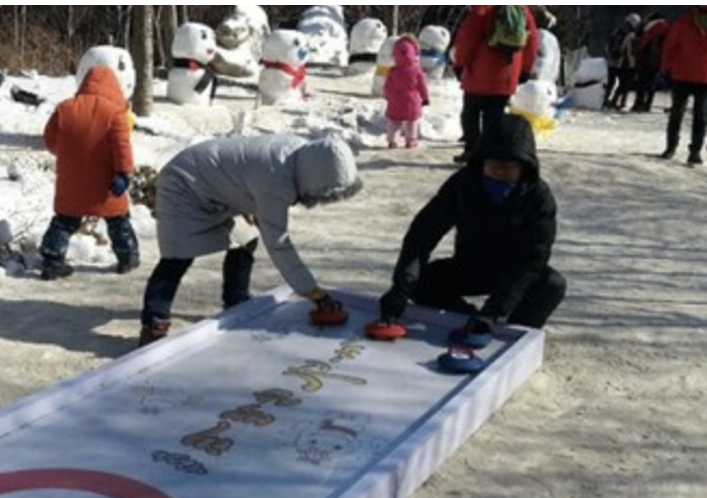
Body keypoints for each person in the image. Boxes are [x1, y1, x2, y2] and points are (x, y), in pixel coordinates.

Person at [138, 134, 362, 346]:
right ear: (315, 180)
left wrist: (246, 198)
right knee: (178, 256)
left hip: (218, 187)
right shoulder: (276, 181)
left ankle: (236, 301)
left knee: (245, 239)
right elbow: (279, 243)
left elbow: (248, 171)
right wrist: (312, 291)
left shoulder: (302, 155)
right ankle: (154, 322)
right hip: (184, 185)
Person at [376, 113, 565, 334]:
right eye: (495, 166)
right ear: (482, 163)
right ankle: (466, 319)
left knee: (552, 284)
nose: (501, 174)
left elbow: (532, 261)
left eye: (510, 168)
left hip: (514, 272)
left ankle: (513, 337)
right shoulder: (462, 186)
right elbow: (422, 235)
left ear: (524, 168)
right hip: (471, 265)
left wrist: (493, 312)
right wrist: (401, 287)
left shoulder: (539, 198)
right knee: (418, 282)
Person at [38, 65, 140, 280]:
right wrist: (123, 173)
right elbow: (122, 146)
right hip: (106, 180)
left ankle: (52, 259)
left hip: (71, 178)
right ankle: (127, 258)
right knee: (117, 220)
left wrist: (68, 156)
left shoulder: (65, 108)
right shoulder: (116, 113)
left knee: (65, 219)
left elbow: (50, 140)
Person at [451, 5, 540, 164]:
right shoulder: (522, 9)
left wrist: (459, 63)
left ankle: (472, 150)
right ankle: (489, 154)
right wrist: (525, 69)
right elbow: (532, 41)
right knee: (494, 118)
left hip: (478, 73)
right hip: (506, 74)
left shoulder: (482, 8)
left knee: (470, 115)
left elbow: (466, 38)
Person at [660, 6, 707, 166]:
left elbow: (670, 47)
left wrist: (666, 68)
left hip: (687, 75)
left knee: (678, 113)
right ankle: (694, 152)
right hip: (703, 76)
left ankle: (672, 148)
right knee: (699, 116)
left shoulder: (683, 21)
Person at [384, 35, 430, 149]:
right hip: (412, 101)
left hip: (396, 101)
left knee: (394, 121)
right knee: (412, 122)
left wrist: (388, 96)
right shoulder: (417, 70)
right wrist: (425, 98)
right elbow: (422, 86)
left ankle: (392, 140)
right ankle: (411, 140)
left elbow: (387, 87)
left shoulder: (393, 71)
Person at [630, 13, 669, 113]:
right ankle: (648, 104)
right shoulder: (667, 28)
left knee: (641, 83)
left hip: (645, 59)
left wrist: (635, 51)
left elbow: (642, 43)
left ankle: (639, 103)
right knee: (652, 83)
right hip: (658, 61)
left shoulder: (649, 28)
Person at [605, 13, 642, 110]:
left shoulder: (616, 31)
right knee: (624, 84)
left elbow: (608, 46)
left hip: (611, 62)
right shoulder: (631, 35)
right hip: (624, 63)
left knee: (611, 83)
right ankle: (619, 101)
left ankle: (605, 101)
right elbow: (628, 51)